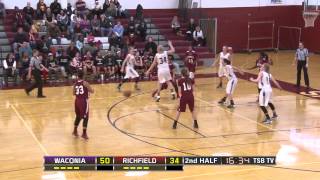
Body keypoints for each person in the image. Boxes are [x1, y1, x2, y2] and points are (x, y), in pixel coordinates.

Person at [72, 70, 94, 139]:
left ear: (77, 76)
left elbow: (73, 93)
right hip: (83, 101)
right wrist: (89, 90)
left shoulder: (75, 84)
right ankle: (84, 133)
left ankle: (75, 131)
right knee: (86, 117)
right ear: (83, 76)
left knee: (78, 116)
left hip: (77, 101)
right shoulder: (85, 83)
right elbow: (92, 91)